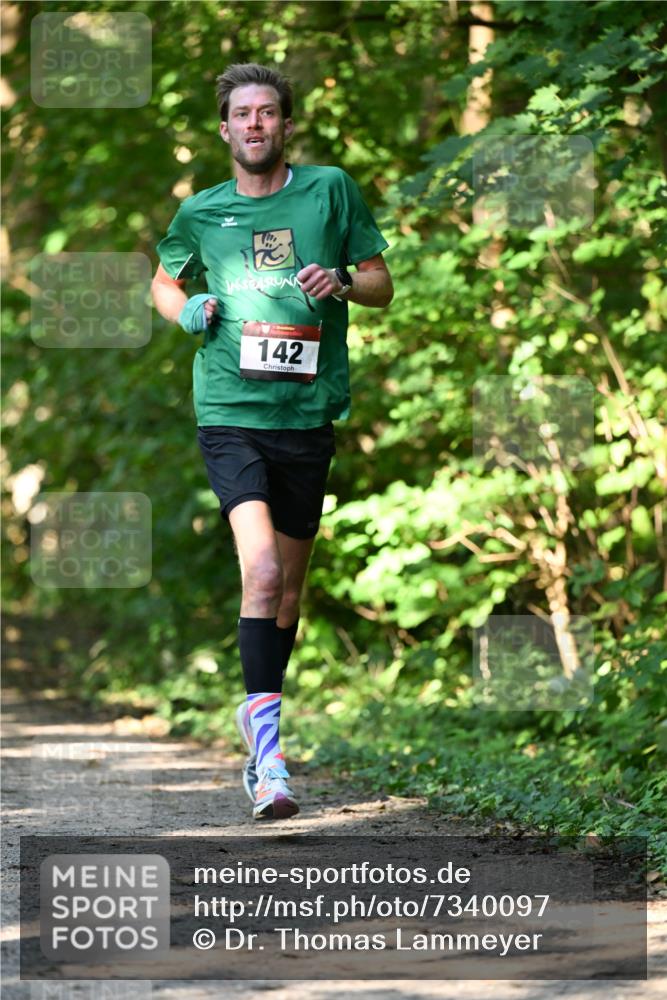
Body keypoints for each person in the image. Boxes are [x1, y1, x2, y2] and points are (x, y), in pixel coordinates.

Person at [152, 62, 393, 820]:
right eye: (241, 114)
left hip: (306, 415)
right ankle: (270, 759)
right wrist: (187, 312)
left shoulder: (329, 190)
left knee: (287, 590)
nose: (254, 124)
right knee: (259, 572)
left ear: (286, 125)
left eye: (267, 113)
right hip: (229, 410)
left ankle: (258, 718)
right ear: (224, 129)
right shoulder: (202, 212)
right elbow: (163, 282)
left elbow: (380, 280)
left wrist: (344, 286)